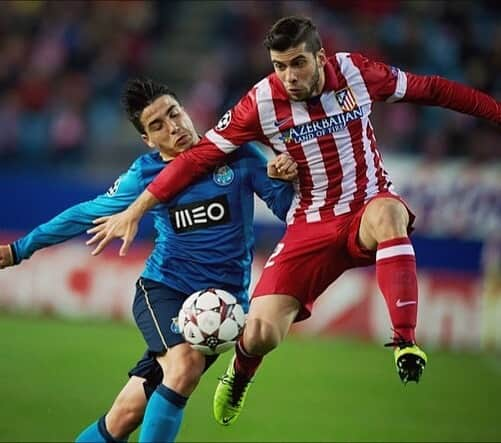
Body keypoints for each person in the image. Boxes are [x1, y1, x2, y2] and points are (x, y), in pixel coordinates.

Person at [86, 16, 501, 427]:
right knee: (261, 333)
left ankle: (405, 340)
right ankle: (240, 374)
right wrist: (137, 208)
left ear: (320, 57)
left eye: (297, 63)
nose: (289, 76)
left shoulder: (357, 72)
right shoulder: (260, 102)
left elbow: (434, 89)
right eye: (279, 66)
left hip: (365, 207)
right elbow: (198, 158)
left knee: (389, 212)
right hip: (310, 223)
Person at [0, 77, 297, 442]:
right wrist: (20, 249)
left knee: (123, 416)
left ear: (186, 110)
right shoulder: (146, 173)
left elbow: (289, 211)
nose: (173, 128)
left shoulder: (238, 155)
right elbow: (85, 213)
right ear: (148, 140)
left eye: (174, 114)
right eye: (157, 125)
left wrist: (286, 179)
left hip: (218, 311)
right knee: (184, 366)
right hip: (165, 289)